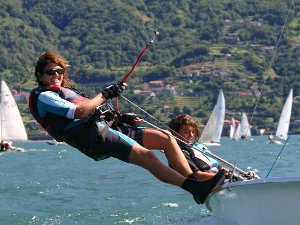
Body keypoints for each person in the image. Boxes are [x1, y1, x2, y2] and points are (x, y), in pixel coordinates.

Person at [29, 52, 225, 204]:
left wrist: (122, 118)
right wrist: (106, 93)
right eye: (50, 72)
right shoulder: (44, 96)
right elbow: (81, 112)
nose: (56, 75)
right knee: (147, 157)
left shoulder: (66, 91)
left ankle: (197, 178)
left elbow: (94, 111)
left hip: (106, 127)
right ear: (40, 75)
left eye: (59, 71)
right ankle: (196, 189)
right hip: (94, 137)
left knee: (165, 137)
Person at [168, 114, 233, 181]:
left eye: (193, 132)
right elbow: (197, 176)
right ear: (174, 133)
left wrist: (233, 174)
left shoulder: (195, 147)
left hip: (220, 178)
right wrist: (226, 176)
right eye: (186, 132)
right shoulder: (181, 153)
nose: (191, 135)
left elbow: (219, 168)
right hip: (210, 184)